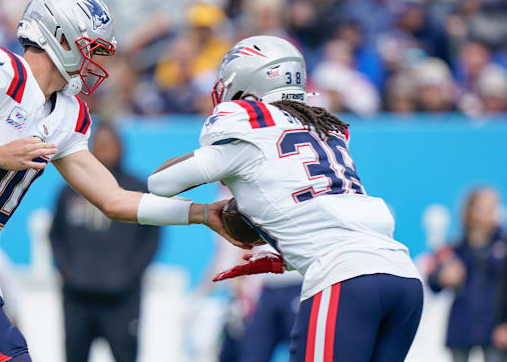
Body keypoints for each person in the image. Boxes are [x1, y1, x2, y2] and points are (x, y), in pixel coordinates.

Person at [0, 0, 241, 362]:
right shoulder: (1, 72)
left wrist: (202, 214)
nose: (97, 63)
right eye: (93, 49)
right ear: (61, 36)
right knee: (10, 355)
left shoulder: (68, 114)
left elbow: (113, 198)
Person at [148, 35, 424, 362]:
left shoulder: (248, 135)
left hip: (344, 276)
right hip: (402, 277)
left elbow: (160, 182)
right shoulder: (322, 128)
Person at [49, 124, 160, 362]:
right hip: (77, 298)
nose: (104, 151)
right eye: (99, 146)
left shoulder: (138, 191)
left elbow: (151, 238)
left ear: (121, 148)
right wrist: (69, 272)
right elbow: (55, 235)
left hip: (122, 299)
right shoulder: (69, 191)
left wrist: (128, 275)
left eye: (109, 145)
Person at [428, 187, 506, 362]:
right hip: (462, 329)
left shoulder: (503, 245)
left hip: (495, 330)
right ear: (471, 211)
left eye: (494, 206)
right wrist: (443, 276)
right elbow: (433, 282)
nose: (492, 212)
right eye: (486, 207)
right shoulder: (454, 249)